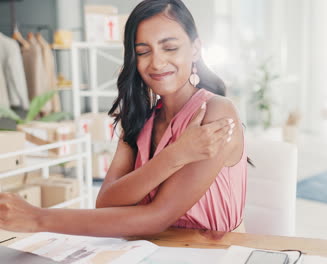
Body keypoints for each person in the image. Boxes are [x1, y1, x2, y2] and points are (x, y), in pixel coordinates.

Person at [0, 0, 247, 237]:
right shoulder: (140, 119)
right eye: (143, 51)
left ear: (195, 49)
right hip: (154, 250)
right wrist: (176, 155)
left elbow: (158, 217)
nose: (157, 62)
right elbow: (106, 201)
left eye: (170, 47)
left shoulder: (217, 112)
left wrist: (38, 219)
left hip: (216, 252)